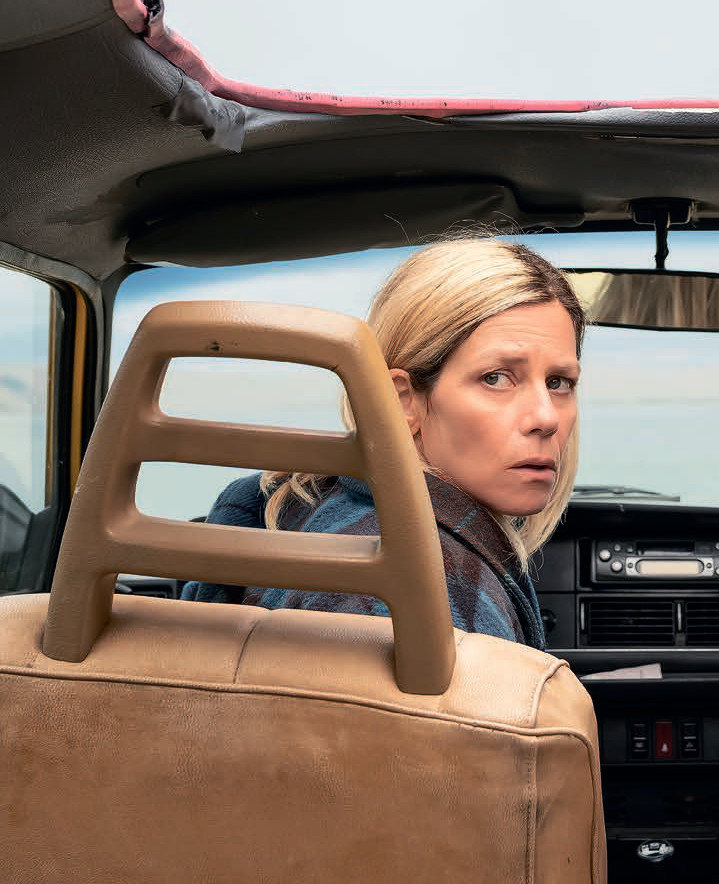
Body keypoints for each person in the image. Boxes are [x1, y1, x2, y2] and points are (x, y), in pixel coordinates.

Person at [182, 238, 584, 649]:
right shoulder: (431, 583)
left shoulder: (303, 515)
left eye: (559, 382)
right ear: (403, 400)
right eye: (496, 378)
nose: (546, 418)